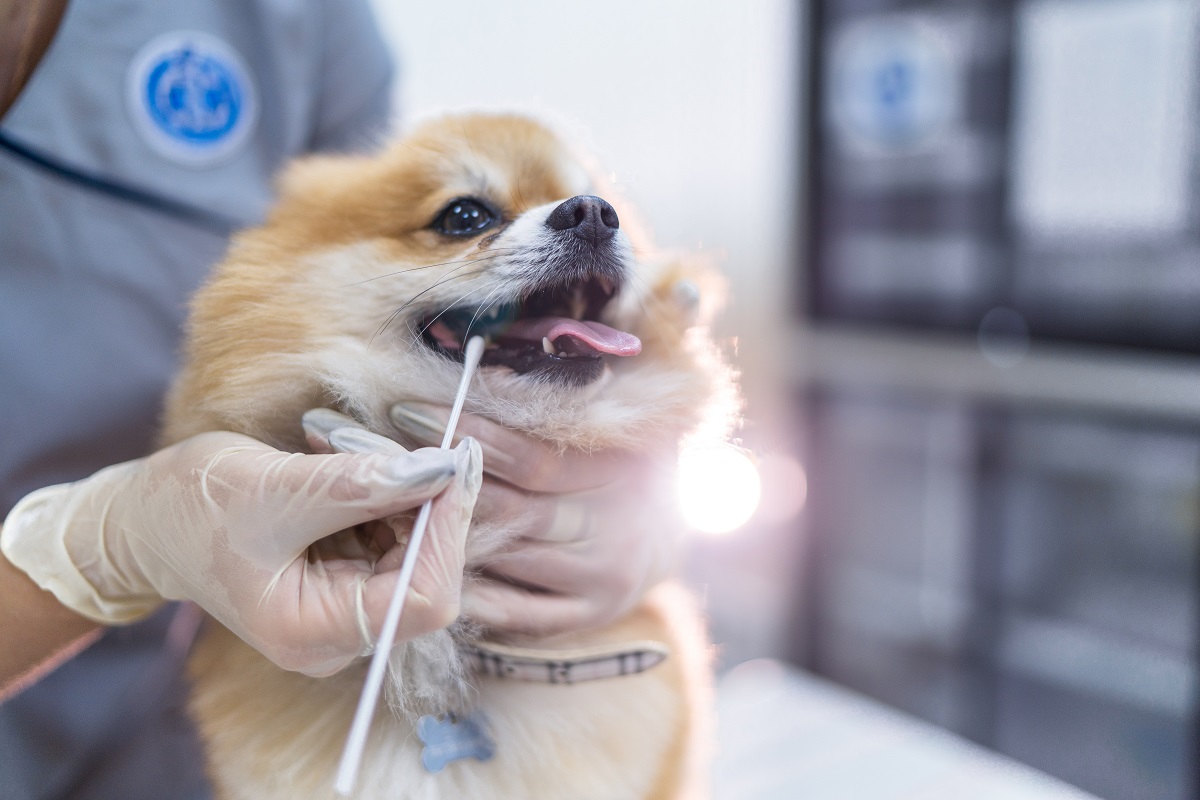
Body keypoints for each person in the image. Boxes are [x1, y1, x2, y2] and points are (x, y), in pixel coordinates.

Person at [0, 2, 677, 798]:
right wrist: (106, 547)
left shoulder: (296, 22)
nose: (583, 217)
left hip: (154, 735)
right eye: (468, 216)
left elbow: (365, 216)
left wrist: (648, 513)